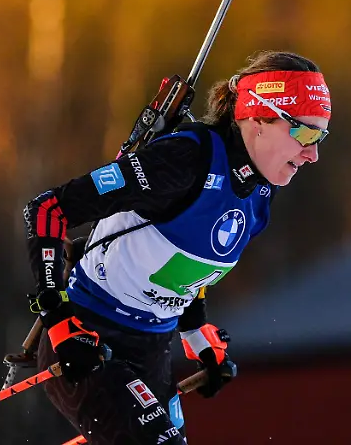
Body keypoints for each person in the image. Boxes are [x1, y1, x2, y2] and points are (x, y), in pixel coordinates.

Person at [22, 50, 332, 444]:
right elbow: (48, 209)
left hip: (151, 350)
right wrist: (57, 318)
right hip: (88, 336)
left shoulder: (259, 192)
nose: (313, 154)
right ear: (259, 119)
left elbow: (187, 265)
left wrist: (196, 332)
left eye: (321, 137)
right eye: (305, 133)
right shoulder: (183, 161)